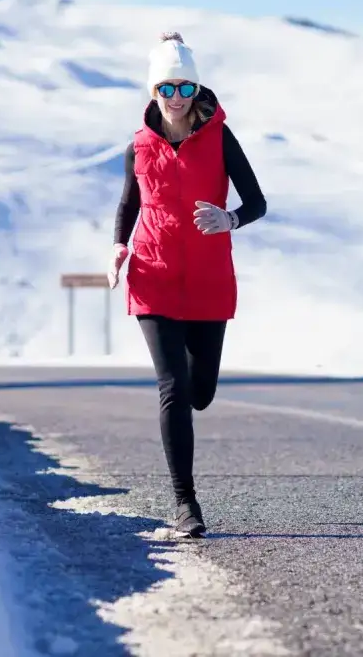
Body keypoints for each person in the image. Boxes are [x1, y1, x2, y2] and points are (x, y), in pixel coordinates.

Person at [107, 31, 267, 538]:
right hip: (151, 275)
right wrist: (118, 246)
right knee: (173, 389)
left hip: (207, 278)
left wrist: (232, 220)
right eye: (165, 89)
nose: (174, 98)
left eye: (183, 88)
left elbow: (257, 201)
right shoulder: (140, 144)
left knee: (200, 392)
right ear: (153, 93)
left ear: (196, 90)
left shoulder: (220, 137)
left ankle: (186, 490)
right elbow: (129, 205)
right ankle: (186, 504)